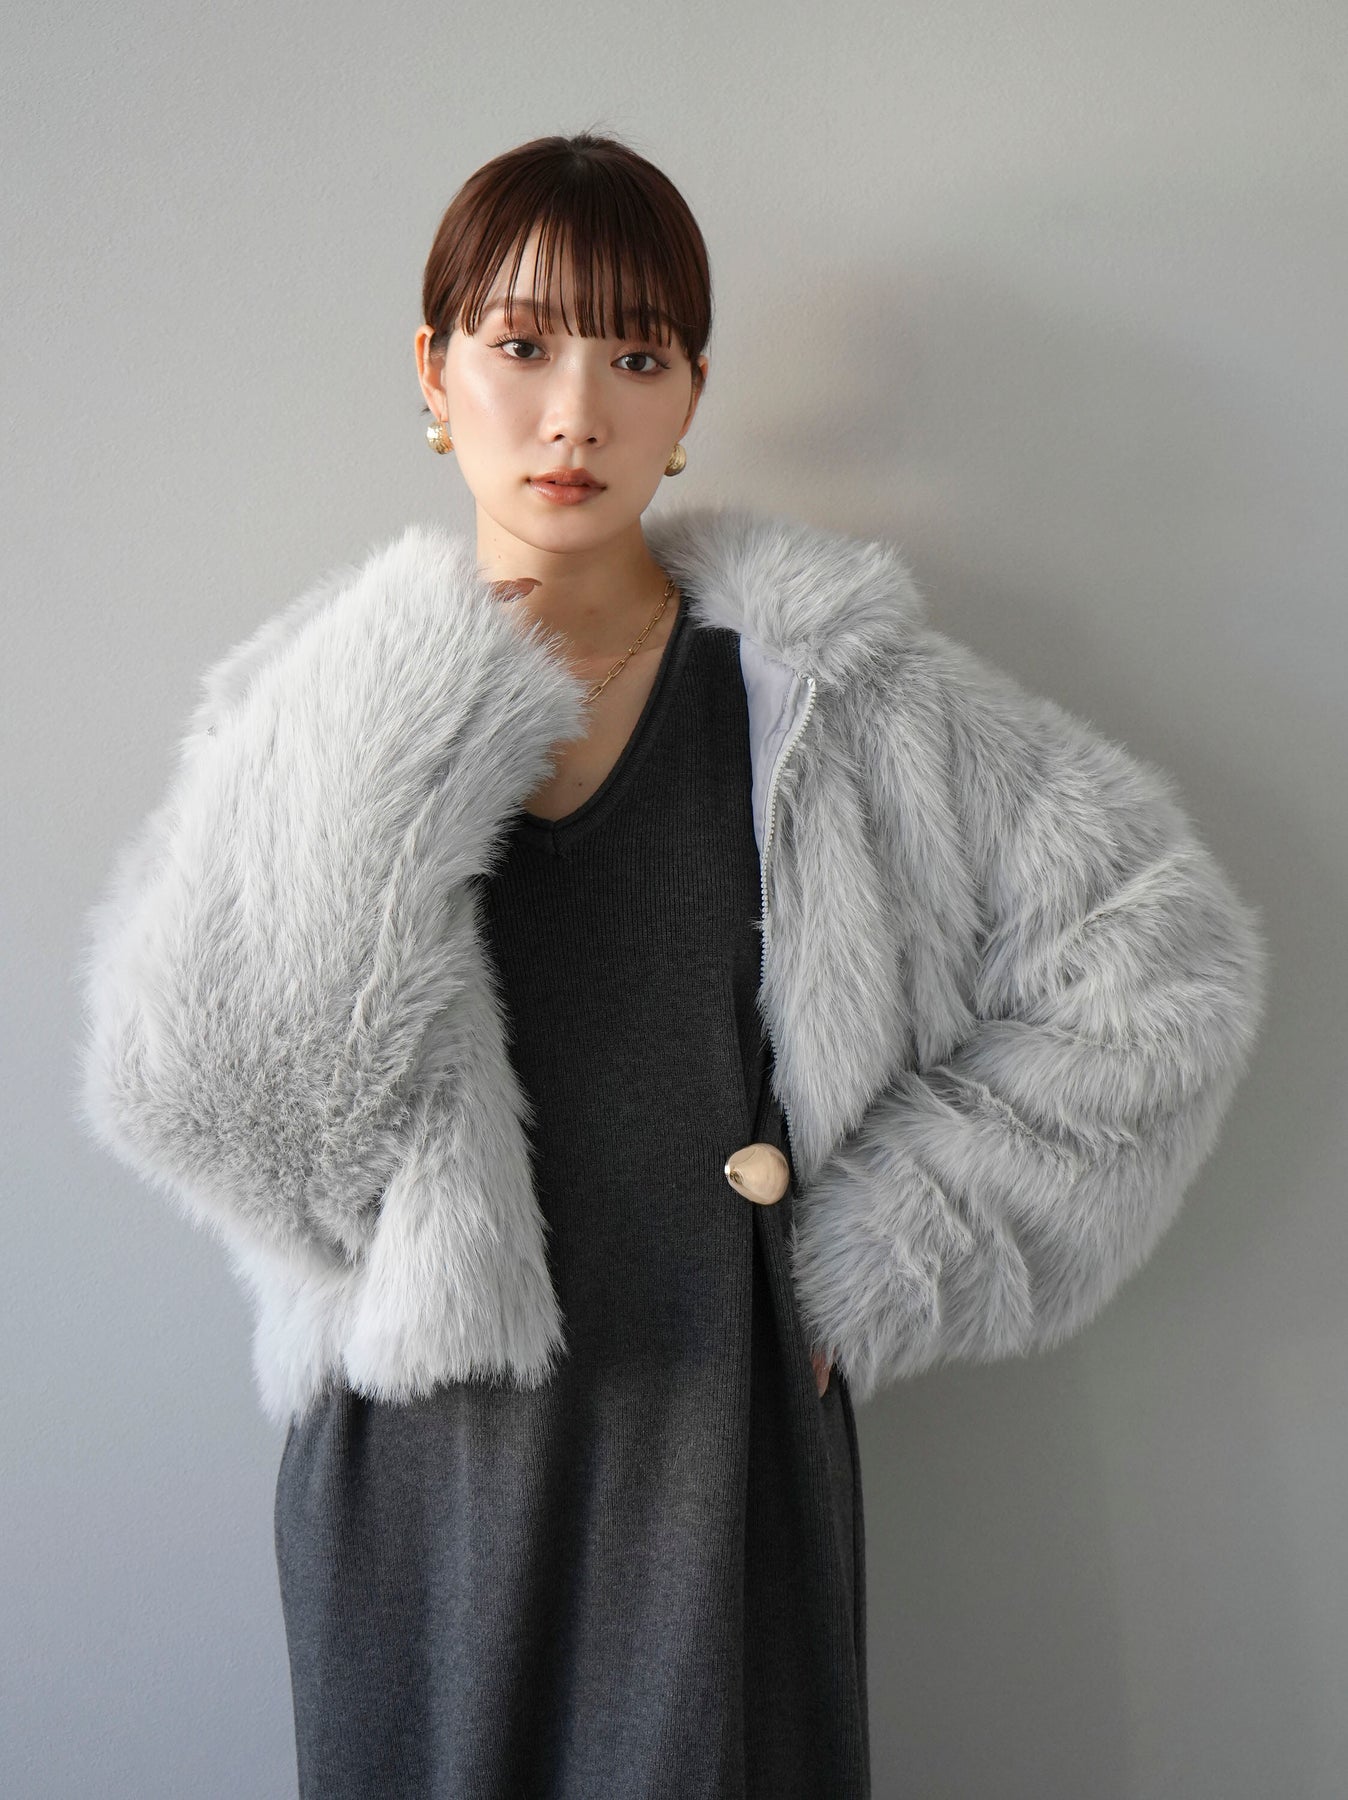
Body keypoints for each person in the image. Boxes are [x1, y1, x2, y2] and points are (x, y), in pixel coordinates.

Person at [73, 132, 1268, 1800]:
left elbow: (1161, 963)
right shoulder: (315, 709)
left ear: (693, 391)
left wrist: (887, 1253)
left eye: (636, 357)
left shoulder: (829, 697)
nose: (575, 413)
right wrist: (399, 720)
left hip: (723, 1430)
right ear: (434, 370)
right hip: (423, 1463)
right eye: (521, 345)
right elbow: (214, 1111)